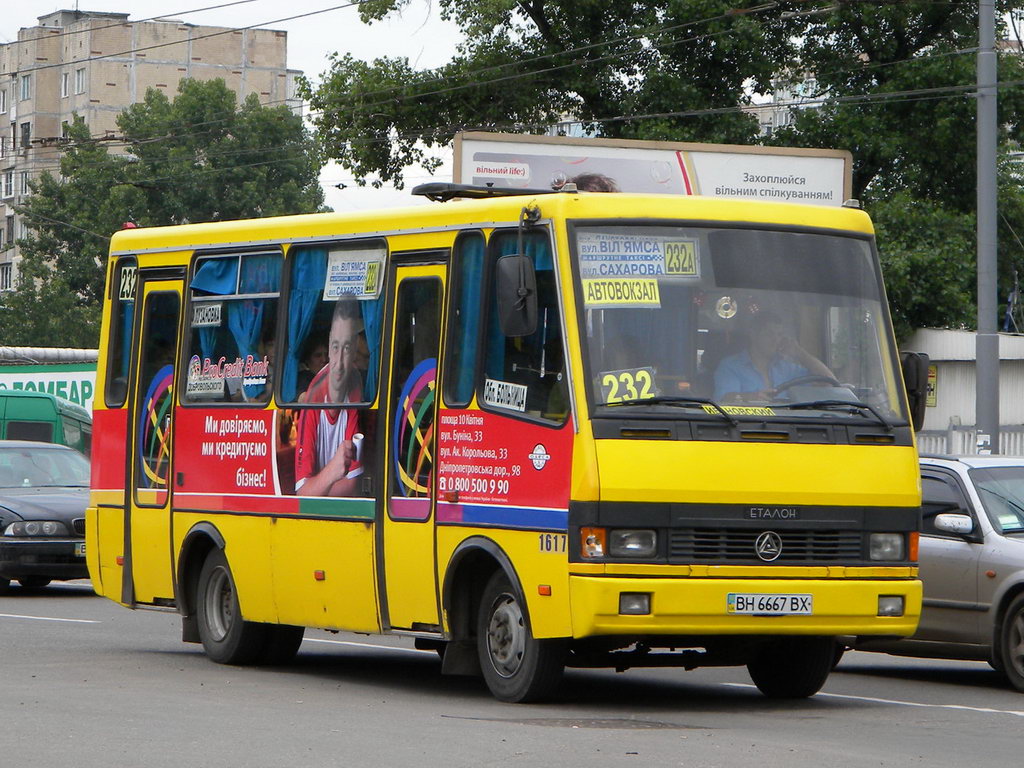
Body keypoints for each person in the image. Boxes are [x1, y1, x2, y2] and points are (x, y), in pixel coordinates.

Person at [294, 297, 364, 496]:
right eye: (335, 347)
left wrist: (319, 487)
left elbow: (352, 485)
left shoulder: (355, 387)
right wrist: (333, 471)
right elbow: (302, 495)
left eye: (347, 348)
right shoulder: (313, 397)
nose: (340, 363)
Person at [713, 311, 833, 403]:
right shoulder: (731, 366)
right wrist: (751, 397)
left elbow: (829, 383)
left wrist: (800, 353)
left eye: (779, 335)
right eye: (769, 334)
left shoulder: (789, 369)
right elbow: (724, 399)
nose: (776, 340)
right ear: (753, 335)